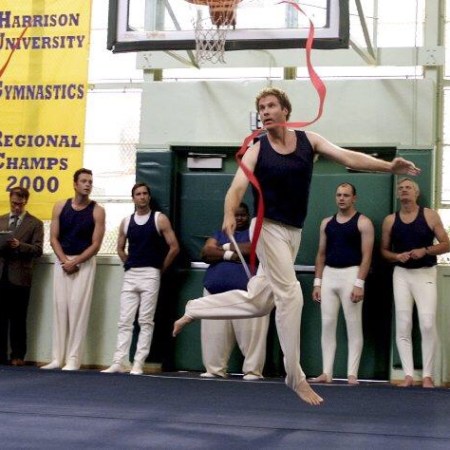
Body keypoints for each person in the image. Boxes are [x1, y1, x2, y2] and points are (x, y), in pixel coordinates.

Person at [173, 87, 421, 406]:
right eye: (261, 108)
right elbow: (236, 188)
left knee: (260, 301)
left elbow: (348, 157)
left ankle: (195, 308)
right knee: (291, 295)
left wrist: (388, 166)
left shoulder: (309, 141)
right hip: (267, 229)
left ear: (285, 111)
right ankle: (295, 376)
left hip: (293, 232)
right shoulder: (257, 150)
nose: (265, 111)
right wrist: (228, 212)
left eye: (271, 106)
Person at [102, 183, 179, 375]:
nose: (142, 196)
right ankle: (118, 361)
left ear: (149, 197)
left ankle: (138, 363)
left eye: (145, 193)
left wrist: (160, 269)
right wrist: (129, 263)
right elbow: (120, 248)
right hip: (131, 274)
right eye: (138, 194)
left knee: (145, 320)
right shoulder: (126, 221)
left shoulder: (159, 219)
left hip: (151, 274)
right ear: (133, 198)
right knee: (124, 320)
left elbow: (174, 247)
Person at [381, 177, 449, 388]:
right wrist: (396, 256)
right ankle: (408, 375)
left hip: (425, 273)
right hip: (401, 274)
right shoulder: (390, 220)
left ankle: (427, 375)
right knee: (403, 324)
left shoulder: (429, 215)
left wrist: (425, 250)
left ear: (416, 193)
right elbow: (384, 251)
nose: (404, 190)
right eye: (401, 188)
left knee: (427, 324)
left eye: (408, 187)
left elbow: (446, 244)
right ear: (397, 194)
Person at [41, 168, 105, 371]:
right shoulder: (60, 206)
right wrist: (64, 261)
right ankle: (57, 358)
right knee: (60, 307)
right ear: (75, 184)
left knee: (78, 309)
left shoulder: (97, 210)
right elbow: (53, 238)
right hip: (62, 261)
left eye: (90, 182)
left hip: (83, 263)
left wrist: (76, 261)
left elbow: (96, 244)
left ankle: (73, 359)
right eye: (84, 181)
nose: (88, 185)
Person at [311, 183, 374, 385]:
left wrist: (359, 283)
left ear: (354, 198)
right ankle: (326, 372)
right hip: (329, 275)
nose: (341, 198)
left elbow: (367, 256)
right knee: (327, 324)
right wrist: (317, 283)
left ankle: (352, 374)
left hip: (351, 275)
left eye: (346, 195)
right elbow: (321, 254)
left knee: (353, 325)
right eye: (339, 195)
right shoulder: (326, 223)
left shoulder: (363, 223)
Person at [200, 202, 269, 380]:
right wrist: (231, 254)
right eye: (235, 215)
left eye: (242, 215)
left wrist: (222, 247)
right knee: (214, 336)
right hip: (215, 293)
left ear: (248, 216)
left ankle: (253, 371)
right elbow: (206, 251)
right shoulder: (219, 233)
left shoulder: (255, 233)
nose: (238, 218)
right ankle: (214, 369)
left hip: (248, 295)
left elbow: (252, 248)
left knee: (252, 336)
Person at [0, 187, 44, 366]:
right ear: (10, 200)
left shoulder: (35, 223)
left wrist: (20, 245)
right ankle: (1, 356)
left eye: (20, 204)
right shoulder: (1, 220)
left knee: (18, 318)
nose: (17, 207)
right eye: (14, 204)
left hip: (20, 277)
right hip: (2, 274)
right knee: (1, 318)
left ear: (26, 202)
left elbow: (38, 250)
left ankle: (18, 355)